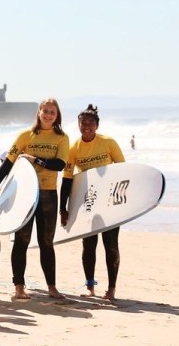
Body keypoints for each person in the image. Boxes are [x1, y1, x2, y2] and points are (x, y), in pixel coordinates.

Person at [0, 98, 69, 300]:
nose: (48, 115)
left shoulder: (61, 137)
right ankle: (19, 286)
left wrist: (35, 159)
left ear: (57, 115)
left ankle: (52, 287)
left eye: (52, 112)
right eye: (45, 111)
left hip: (48, 194)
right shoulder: (26, 135)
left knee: (46, 242)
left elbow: (59, 165)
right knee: (22, 240)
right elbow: (9, 161)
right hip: (24, 195)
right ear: (39, 112)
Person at [60, 104, 125, 301]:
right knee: (88, 245)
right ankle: (90, 286)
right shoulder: (73, 149)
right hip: (88, 201)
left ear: (97, 125)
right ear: (78, 125)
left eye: (90, 123)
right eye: (83, 123)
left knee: (110, 244)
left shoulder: (109, 142)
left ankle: (111, 288)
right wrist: (64, 207)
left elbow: (123, 172)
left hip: (110, 202)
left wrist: (123, 202)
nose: (86, 126)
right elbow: (67, 179)